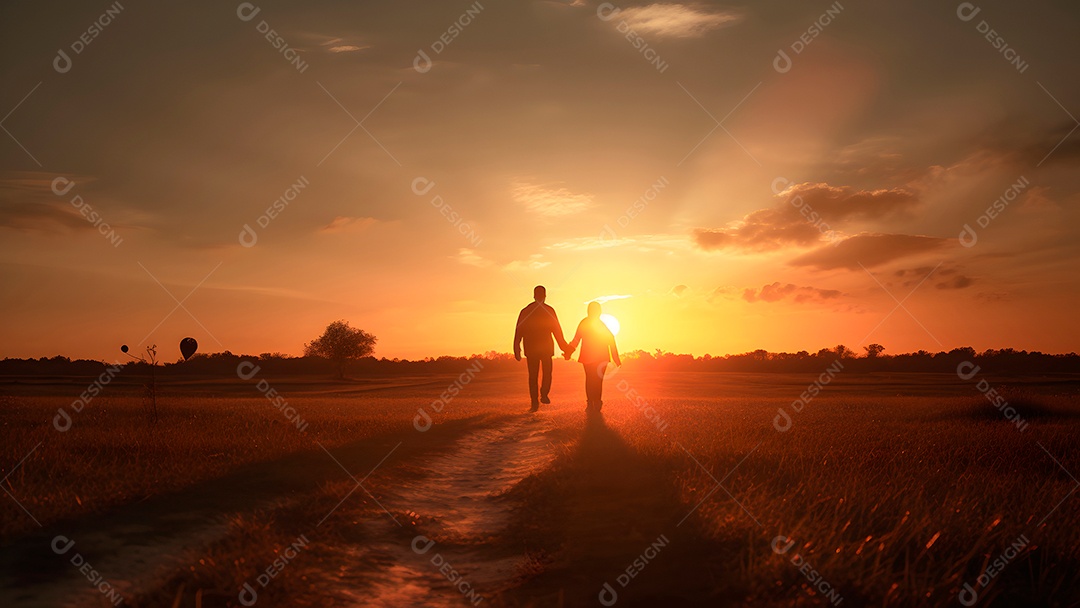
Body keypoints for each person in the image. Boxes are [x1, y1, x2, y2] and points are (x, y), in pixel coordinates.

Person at [513, 285, 571, 412]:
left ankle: (536, 401)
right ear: (543, 296)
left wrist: (517, 348)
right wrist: (565, 348)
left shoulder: (527, 311)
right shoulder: (547, 310)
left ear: (536, 296)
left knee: (534, 376)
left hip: (534, 348)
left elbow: (518, 332)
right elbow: (557, 332)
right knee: (544, 374)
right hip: (543, 348)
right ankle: (542, 396)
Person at [566, 301, 621, 412]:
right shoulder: (600, 324)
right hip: (599, 357)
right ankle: (594, 402)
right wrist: (616, 358)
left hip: (593, 357)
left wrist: (568, 352)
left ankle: (592, 402)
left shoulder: (585, 323)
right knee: (596, 380)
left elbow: (576, 340)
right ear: (599, 311)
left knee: (591, 379)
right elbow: (611, 340)